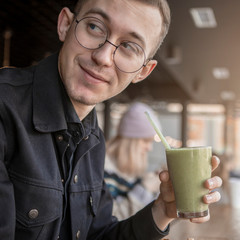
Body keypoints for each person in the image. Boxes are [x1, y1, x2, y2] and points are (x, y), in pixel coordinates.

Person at [0, 0, 223, 239]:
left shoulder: (93, 137)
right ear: (65, 25)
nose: (103, 57)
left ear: (142, 72)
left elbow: (99, 234)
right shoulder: (5, 107)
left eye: (129, 46)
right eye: (95, 27)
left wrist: (163, 210)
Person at [104, 102, 162, 219]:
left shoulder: (131, 171)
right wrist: (145, 189)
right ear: (130, 139)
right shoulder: (103, 169)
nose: (149, 148)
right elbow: (112, 220)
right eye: (146, 141)